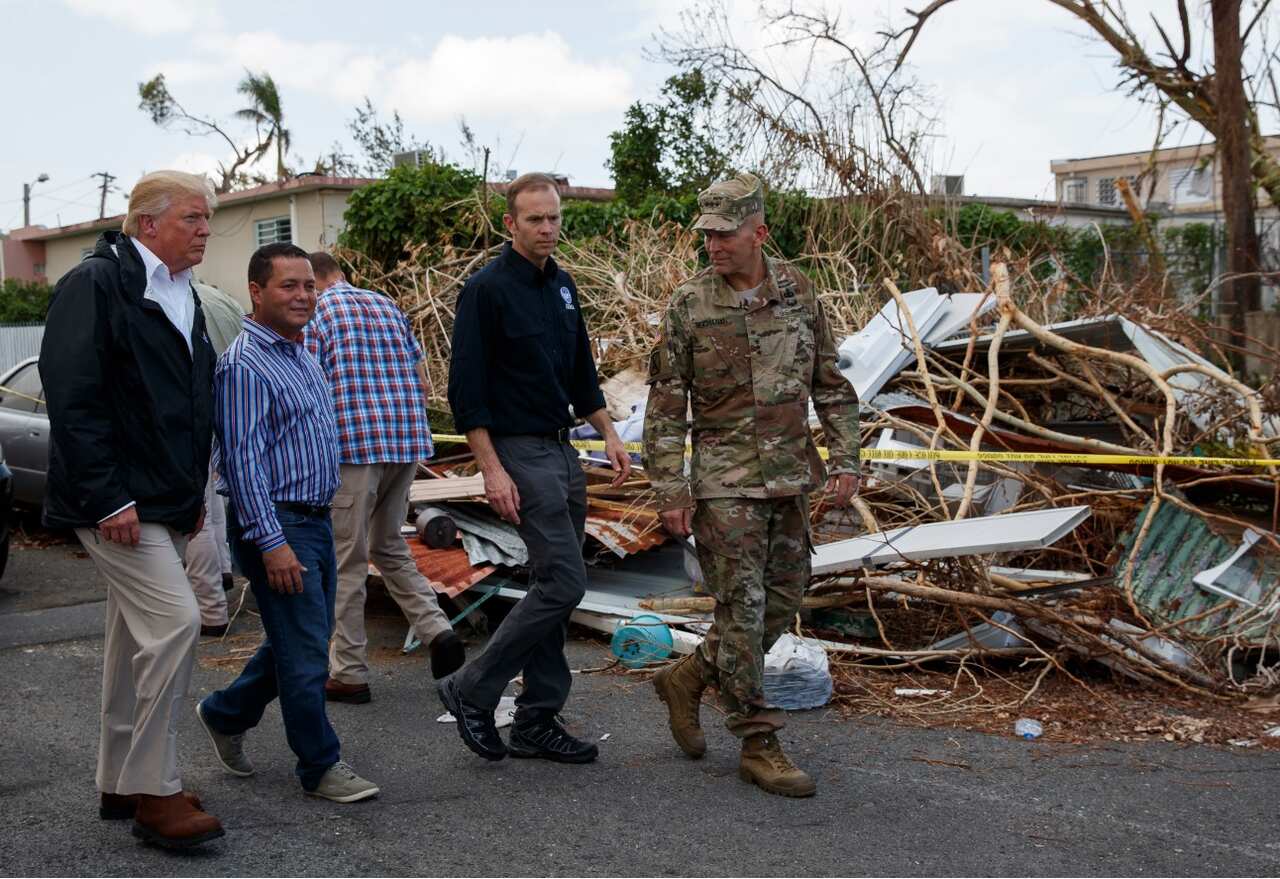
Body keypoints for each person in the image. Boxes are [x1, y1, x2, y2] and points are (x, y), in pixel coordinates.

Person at [642, 172, 862, 798]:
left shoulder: (798, 290)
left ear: (758, 232)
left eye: (725, 234)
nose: (713, 245)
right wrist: (671, 490)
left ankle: (688, 676)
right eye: (705, 235)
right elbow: (664, 406)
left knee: (782, 603)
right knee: (742, 610)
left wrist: (846, 457)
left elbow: (829, 383)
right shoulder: (689, 305)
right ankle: (757, 740)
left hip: (791, 476)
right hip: (723, 482)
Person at [39, 170, 224, 847]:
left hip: (162, 501)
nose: (206, 230)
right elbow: (73, 394)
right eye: (194, 218)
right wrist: (109, 493)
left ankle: (120, 779)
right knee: (178, 621)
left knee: (129, 639)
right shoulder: (96, 284)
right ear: (148, 223)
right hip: (113, 500)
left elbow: (189, 403)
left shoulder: (183, 293)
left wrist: (191, 496)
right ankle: (157, 789)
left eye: (208, 219)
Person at [442, 172, 630, 764]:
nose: (547, 228)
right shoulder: (486, 289)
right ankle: (472, 687)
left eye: (553, 218)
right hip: (519, 450)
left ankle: (537, 720)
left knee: (554, 586)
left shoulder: (564, 286)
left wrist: (609, 432)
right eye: (535, 219)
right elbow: (466, 392)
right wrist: (492, 470)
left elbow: (580, 373)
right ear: (510, 224)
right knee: (565, 583)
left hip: (563, 449)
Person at [194, 243, 379, 804]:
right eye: (288, 286)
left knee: (298, 641)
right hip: (279, 527)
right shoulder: (245, 364)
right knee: (304, 657)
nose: (303, 297)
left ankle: (226, 712)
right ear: (256, 292)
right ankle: (320, 766)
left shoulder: (300, 352)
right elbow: (242, 462)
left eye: (308, 286)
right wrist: (271, 544)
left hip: (315, 522)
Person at [303, 251, 464, 704]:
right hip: (405, 443)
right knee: (389, 544)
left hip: (354, 449)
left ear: (313, 280)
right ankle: (437, 629)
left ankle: (349, 672)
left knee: (346, 561)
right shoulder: (386, 304)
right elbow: (421, 379)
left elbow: (309, 385)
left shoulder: (319, 313)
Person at [186, 281, 244, 637]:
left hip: (195, 412)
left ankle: (211, 611)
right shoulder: (220, 300)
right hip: (224, 408)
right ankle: (223, 572)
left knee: (197, 515)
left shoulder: (180, 301)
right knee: (213, 502)